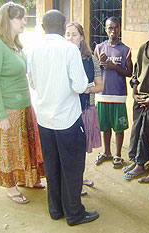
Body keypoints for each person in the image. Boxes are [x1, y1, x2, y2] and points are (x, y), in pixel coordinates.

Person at [28, 10, 99, 226]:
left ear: (43, 26)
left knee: (52, 165)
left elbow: (31, 82)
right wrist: (89, 87)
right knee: (72, 166)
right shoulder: (69, 49)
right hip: (67, 120)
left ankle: (56, 209)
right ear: (62, 26)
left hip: (44, 119)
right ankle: (74, 213)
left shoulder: (34, 49)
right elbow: (79, 86)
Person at [0, 2, 45, 204]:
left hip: (24, 106)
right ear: (7, 20)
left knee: (24, 148)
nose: (24, 22)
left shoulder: (15, 45)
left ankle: (26, 178)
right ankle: (10, 185)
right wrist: (1, 116)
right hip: (7, 108)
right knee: (10, 149)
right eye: (20, 18)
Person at [123, 19, 149, 180]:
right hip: (139, 96)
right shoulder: (143, 48)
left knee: (146, 131)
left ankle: (141, 163)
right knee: (136, 128)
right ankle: (134, 159)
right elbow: (136, 72)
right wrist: (134, 93)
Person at [65, 22, 104, 196]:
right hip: (66, 111)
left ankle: (78, 178)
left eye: (74, 34)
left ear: (81, 37)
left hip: (86, 108)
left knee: (80, 148)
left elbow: (100, 85)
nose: (70, 38)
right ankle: (73, 182)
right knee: (70, 148)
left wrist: (88, 89)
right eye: (67, 34)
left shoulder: (91, 59)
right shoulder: (62, 57)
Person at [94, 16, 133, 169]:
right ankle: (106, 152)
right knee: (105, 126)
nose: (113, 31)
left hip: (118, 94)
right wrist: (100, 63)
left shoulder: (125, 50)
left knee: (119, 126)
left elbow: (129, 72)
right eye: (110, 28)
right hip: (103, 94)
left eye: (115, 27)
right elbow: (94, 70)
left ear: (119, 29)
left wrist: (114, 66)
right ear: (105, 30)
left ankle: (117, 154)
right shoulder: (99, 48)